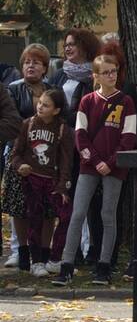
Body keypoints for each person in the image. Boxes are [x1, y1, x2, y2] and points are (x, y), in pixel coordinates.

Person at [51, 54, 136, 286]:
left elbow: (128, 138)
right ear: (95, 76)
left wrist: (110, 162)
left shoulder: (126, 101)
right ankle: (66, 265)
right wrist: (96, 160)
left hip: (114, 167)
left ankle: (104, 266)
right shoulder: (87, 100)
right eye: (106, 72)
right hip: (90, 166)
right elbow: (80, 135)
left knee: (108, 215)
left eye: (114, 71)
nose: (112, 75)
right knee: (78, 214)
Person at [11, 90, 73, 278]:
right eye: (40, 103)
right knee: (34, 219)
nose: (40, 107)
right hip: (32, 180)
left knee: (65, 216)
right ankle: (36, 261)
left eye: (46, 105)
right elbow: (16, 153)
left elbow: (66, 161)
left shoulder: (62, 129)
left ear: (56, 110)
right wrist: (20, 165)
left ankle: (54, 259)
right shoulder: (27, 124)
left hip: (53, 182)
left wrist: (62, 186)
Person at [4, 45, 54, 272]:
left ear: (45, 67)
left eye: (36, 62)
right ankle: (21, 253)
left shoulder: (53, 90)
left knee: (46, 206)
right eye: (26, 62)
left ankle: (43, 254)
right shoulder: (12, 89)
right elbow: (11, 122)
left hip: (46, 155)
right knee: (19, 204)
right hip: (18, 152)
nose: (30, 66)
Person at [47, 29, 100, 130]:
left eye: (71, 44)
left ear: (85, 46)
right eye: (66, 45)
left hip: (88, 131)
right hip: (60, 130)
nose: (67, 49)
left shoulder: (98, 73)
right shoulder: (59, 74)